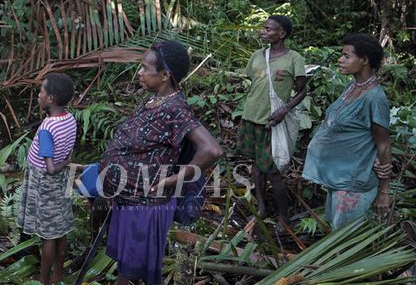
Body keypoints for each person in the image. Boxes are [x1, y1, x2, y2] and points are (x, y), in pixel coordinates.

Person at [100, 41, 223, 285]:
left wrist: (173, 180)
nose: (140, 73)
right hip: (130, 197)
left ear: (165, 75)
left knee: (129, 274)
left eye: (146, 68)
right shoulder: (155, 100)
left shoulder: (175, 109)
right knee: (127, 266)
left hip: (146, 204)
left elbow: (212, 150)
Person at [303, 34, 393, 230]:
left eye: (346, 56)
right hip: (338, 178)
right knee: (335, 233)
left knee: (344, 242)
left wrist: (384, 192)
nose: (340, 60)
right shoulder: (352, 86)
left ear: (364, 60)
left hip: (353, 183)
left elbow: (383, 143)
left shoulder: (374, 98)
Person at [235, 15, 308, 225]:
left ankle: (283, 217)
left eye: (269, 29)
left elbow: (302, 91)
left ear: (281, 34)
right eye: (264, 28)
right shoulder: (258, 55)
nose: (263, 32)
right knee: (257, 166)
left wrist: (284, 110)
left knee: (273, 172)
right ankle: (262, 207)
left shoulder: (294, 58)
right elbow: (252, 81)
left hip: (272, 121)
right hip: (251, 118)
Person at [17, 73, 78, 285]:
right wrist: (66, 163)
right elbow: (68, 154)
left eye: (42, 90)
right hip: (61, 181)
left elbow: (50, 168)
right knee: (60, 229)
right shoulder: (70, 119)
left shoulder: (47, 128)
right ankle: (58, 275)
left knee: (49, 235)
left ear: (50, 98)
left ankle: (44, 281)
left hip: (45, 181)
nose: (39, 94)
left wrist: (61, 165)